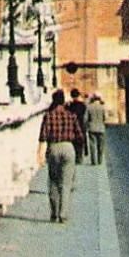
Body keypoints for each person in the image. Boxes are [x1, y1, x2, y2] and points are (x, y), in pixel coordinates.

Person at [38, 90, 86, 222]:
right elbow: (80, 136)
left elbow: (42, 136)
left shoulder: (48, 116)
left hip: (53, 147)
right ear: (63, 101)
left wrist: (40, 154)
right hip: (68, 147)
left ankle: (54, 213)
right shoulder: (71, 115)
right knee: (66, 183)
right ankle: (63, 215)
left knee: (53, 182)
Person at [84, 92, 108, 165]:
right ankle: (100, 160)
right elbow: (106, 118)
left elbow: (85, 118)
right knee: (101, 146)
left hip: (92, 128)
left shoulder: (89, 107)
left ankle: (93, 161)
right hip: (101, 128)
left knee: (92, 145)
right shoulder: (103, 107)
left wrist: (87, 125)